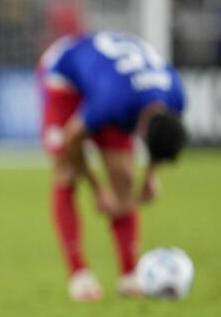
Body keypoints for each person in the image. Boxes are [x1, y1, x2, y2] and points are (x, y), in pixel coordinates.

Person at [38, 31, 188, 301]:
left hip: (112, 79)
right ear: (139, 129)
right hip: (65, 75)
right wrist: (97, 187)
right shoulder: (113, 101)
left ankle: (129, 276)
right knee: (66, 171)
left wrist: (150, 175)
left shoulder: (176, 96)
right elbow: (74, 138)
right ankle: (79, 275)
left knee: (124, 178)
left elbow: (161, 135)